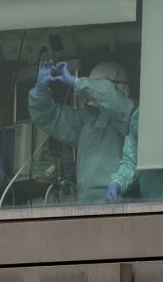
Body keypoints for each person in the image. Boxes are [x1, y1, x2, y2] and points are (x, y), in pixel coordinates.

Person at [29, 60, 136, 204]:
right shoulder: (87, 120)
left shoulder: (130, 114)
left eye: (97, 85)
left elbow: (111, 98)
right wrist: (40, 91)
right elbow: (50, 117)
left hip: (121, 199)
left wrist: (78, 82)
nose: (92, 91)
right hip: (85, 203)